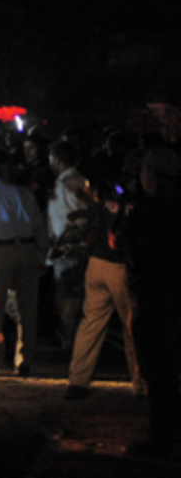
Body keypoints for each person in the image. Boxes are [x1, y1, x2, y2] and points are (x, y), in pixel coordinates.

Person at [121, 145, 181, 457]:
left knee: (159, 371)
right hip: (167, 297)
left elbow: (127, 245)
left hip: (155, 299)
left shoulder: (149, 210)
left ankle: (163, 436)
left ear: (154, 173)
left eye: (144, 168)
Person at [64, 173, 141, 400]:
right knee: (133, 326)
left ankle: (77, 381)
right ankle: (141, 383)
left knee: (91, 323)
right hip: (120, 268)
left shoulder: (101, 206)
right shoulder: (134, 206)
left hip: (96, 264)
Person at [0, 159, 50, 377]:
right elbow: (39, 224)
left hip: (1, 250)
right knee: (27, 308)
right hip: (28, 249)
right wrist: (42, 254)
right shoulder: (25, 193)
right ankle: (24, 359)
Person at [45, 140, 91, 355]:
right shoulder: (76, 181)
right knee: (70, 297)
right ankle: (72, 343)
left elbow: (80, 219)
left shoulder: (70, 184)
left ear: (57, 160)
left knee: (69, 299)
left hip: (69, 249)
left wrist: (67, 242)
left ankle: (70, 345)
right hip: (70, 247)